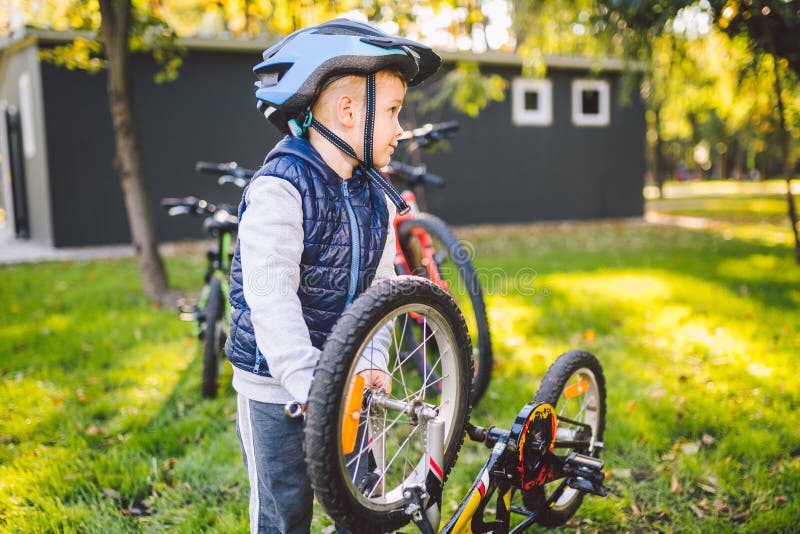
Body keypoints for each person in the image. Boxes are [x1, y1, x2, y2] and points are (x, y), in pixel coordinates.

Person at [224, 19, 441, 534]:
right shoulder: (280, 190)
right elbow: (270, 301)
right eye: (392, 112)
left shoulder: (374, 195)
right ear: (348, 112)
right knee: (285, 513)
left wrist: (367, 364)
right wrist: (312, 386)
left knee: (364, 505)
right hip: (275, 389)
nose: (398, 128)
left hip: (346, 384)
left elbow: (382, 292)